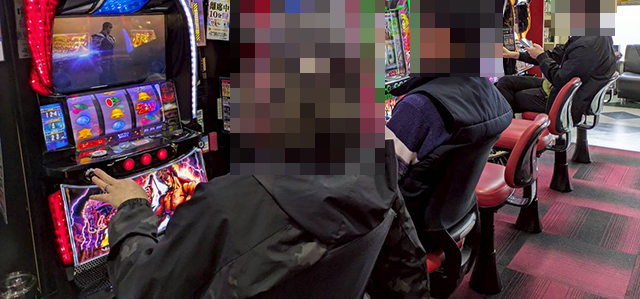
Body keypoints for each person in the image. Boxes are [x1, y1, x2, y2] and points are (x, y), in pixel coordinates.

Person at [87, 140, 429, 299]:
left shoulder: (226, 203)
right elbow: (407, 275)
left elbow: (142, 289)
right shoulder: (377, 171)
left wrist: (132, 207)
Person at [386, 76, 512, 182]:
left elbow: (384, 178)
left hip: (411, 202)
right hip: (460, 199)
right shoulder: (488, 89)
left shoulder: (417, 106)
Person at [497, 36, 616, 124]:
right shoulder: (596, 37)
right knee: (506, 82)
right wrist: (515, 55)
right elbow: (556, 55)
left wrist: (540, 56)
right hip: (570, 91)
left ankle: (508, 136)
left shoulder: (585, 46)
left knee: (510, 97)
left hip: (567, 101)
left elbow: (560, 79)